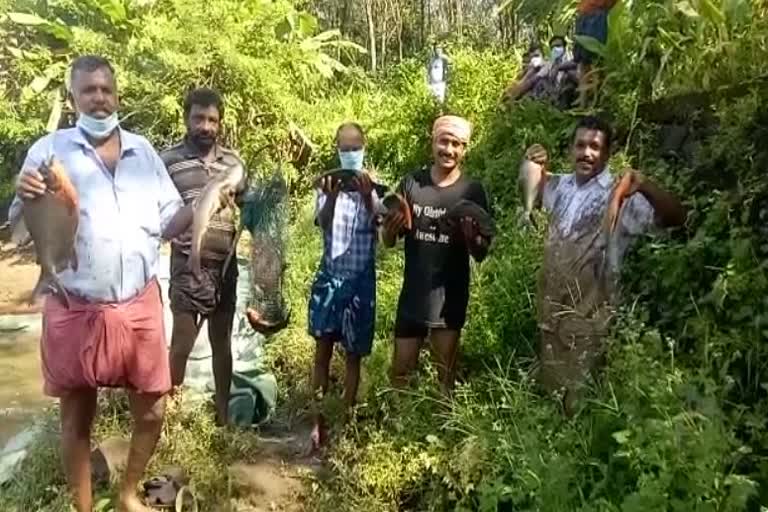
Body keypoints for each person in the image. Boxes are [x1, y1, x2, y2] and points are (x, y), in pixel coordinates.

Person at [8, 55, 194, 512]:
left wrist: (209, 201)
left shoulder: (143, 151)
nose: (98, 98)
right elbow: (20, 227)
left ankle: (128, 492)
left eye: (105, 90)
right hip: (74, 303)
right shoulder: (48, 152)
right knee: (76, 415)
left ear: (116, 95)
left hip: (139, 301)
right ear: (73, 98)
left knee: (153, 407)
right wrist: (23, 191)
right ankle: (84, 507)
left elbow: (171, 219)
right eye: (88, 90)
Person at [522, 116, 686, 414]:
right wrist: (533, 161)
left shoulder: (620, 197)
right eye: (581, 145)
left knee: (581, 402)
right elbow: (531, 184)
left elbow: (675, 219)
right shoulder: (561, 186)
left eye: (595, 147)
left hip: (591, 316)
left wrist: (644, 185)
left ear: (608, 154)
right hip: (552, 311)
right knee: (551, 393)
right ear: (571, 149)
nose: (587, 153)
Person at [382, 115, 492, 394]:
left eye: (457, 144)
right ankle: (399, 430)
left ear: (464, 149)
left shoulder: (472, 191)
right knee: (400, 374)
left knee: (445, 379)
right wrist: (390, 229)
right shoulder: (412, 184)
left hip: (450, 300)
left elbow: (480, 252)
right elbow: (389, 240)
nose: (449, 150)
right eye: (444, 141)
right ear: (433, 143)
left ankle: (443, 433)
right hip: (413, 296)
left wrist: (471, 239)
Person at [160, 87, 247, 427]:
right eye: (198, 118)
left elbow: (248, 206)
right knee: (181, 341)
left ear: (220, 123)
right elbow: (158, 215)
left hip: (225, 265)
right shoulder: (167, 161)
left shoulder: (234, 163)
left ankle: (223, 416)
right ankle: (168, 414)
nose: (206, 126)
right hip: (186, 262)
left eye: (212, 120)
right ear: (186, 119)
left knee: (221, 342)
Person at [307, 122, 381, 450]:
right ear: (336, 148)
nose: (350, 153)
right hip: (330, 277)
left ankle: (347, 419)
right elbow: (322, 224)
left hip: (361, 281)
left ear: (364, 148)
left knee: (354, 355)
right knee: (321, 351)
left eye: (355, 148)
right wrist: (332, 197)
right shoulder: (326, 185)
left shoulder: (375, 187)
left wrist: (368, 198)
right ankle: (318, 423)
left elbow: (382, 228)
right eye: (344, 148)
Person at [573, 0, 618, 107]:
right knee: (584, 61)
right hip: (584, 15)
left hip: (597, 15)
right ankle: (583, 102)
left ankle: (595, 102)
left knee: (595, 60)